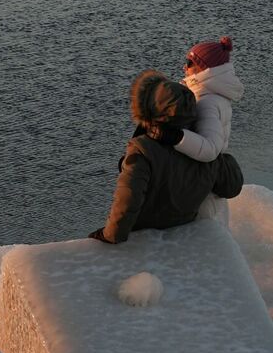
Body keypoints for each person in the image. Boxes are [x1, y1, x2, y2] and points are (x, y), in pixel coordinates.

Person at [89, 69, 236, 244]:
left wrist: (111, 235)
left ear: (149, 109)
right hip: (184, 227)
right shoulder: (202, 148)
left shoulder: (143, 149)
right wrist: (222, 161)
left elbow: (128, 198)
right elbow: (232, 187)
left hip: (146, 232)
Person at [153, 36, 244, 224]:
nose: (184, 67)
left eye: (189, 63)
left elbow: (210, 149)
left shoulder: (206, 102)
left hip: (204, 196)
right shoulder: (213, 95)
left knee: (207, 236)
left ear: (204, 69)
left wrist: (175, 137)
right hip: (209, 187)